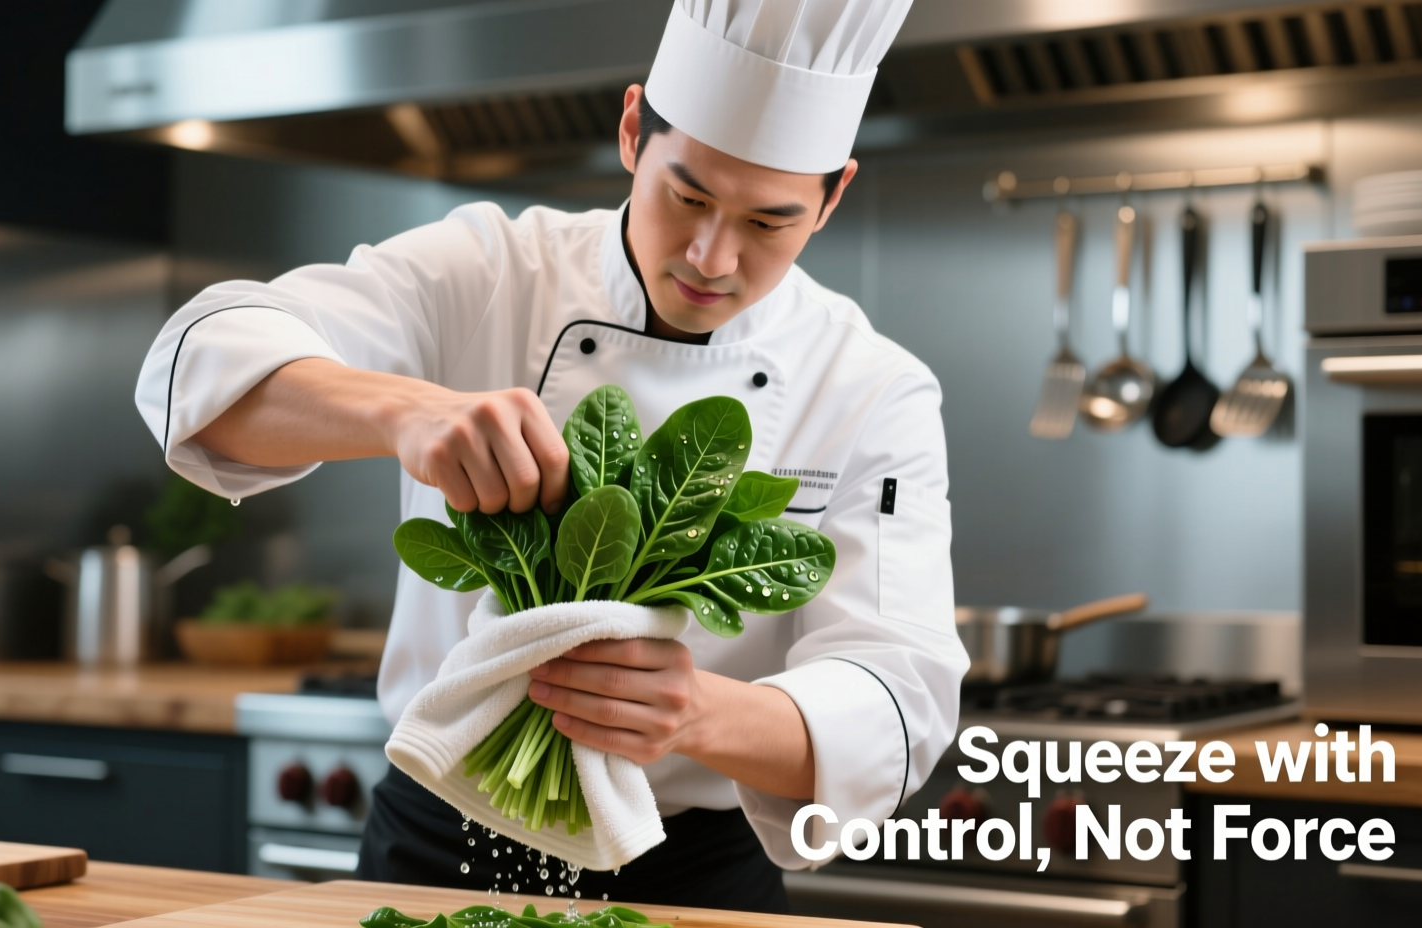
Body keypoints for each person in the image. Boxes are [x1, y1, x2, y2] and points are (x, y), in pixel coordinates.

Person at [135, 0, 967, 913]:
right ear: (629, 130)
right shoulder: (489, 270)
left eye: (769, 223)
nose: (711, 256)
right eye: (686, 196)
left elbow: (902, 699)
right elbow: (197, 366)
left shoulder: (873, 387)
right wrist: (402, 411)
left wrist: (692, 708)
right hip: (436, 845)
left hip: (690, 875)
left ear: (833, 196)